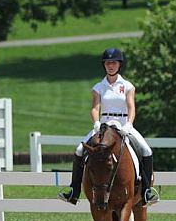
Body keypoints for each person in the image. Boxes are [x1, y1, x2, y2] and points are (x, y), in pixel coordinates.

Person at [58, 47, 159, 206]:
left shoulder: (127, 86)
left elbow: (131, 107)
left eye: (114, 62)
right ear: (104, 65)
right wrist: (96, 122)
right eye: (107, 63)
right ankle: (74, 190)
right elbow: (95, 108)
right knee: (79, 150)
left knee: (146, 151)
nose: (110, 65)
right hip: (103, 125)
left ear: (119, 64)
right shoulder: (98, 87)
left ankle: (147, 191)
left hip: (124, 124)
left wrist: (129, 124)